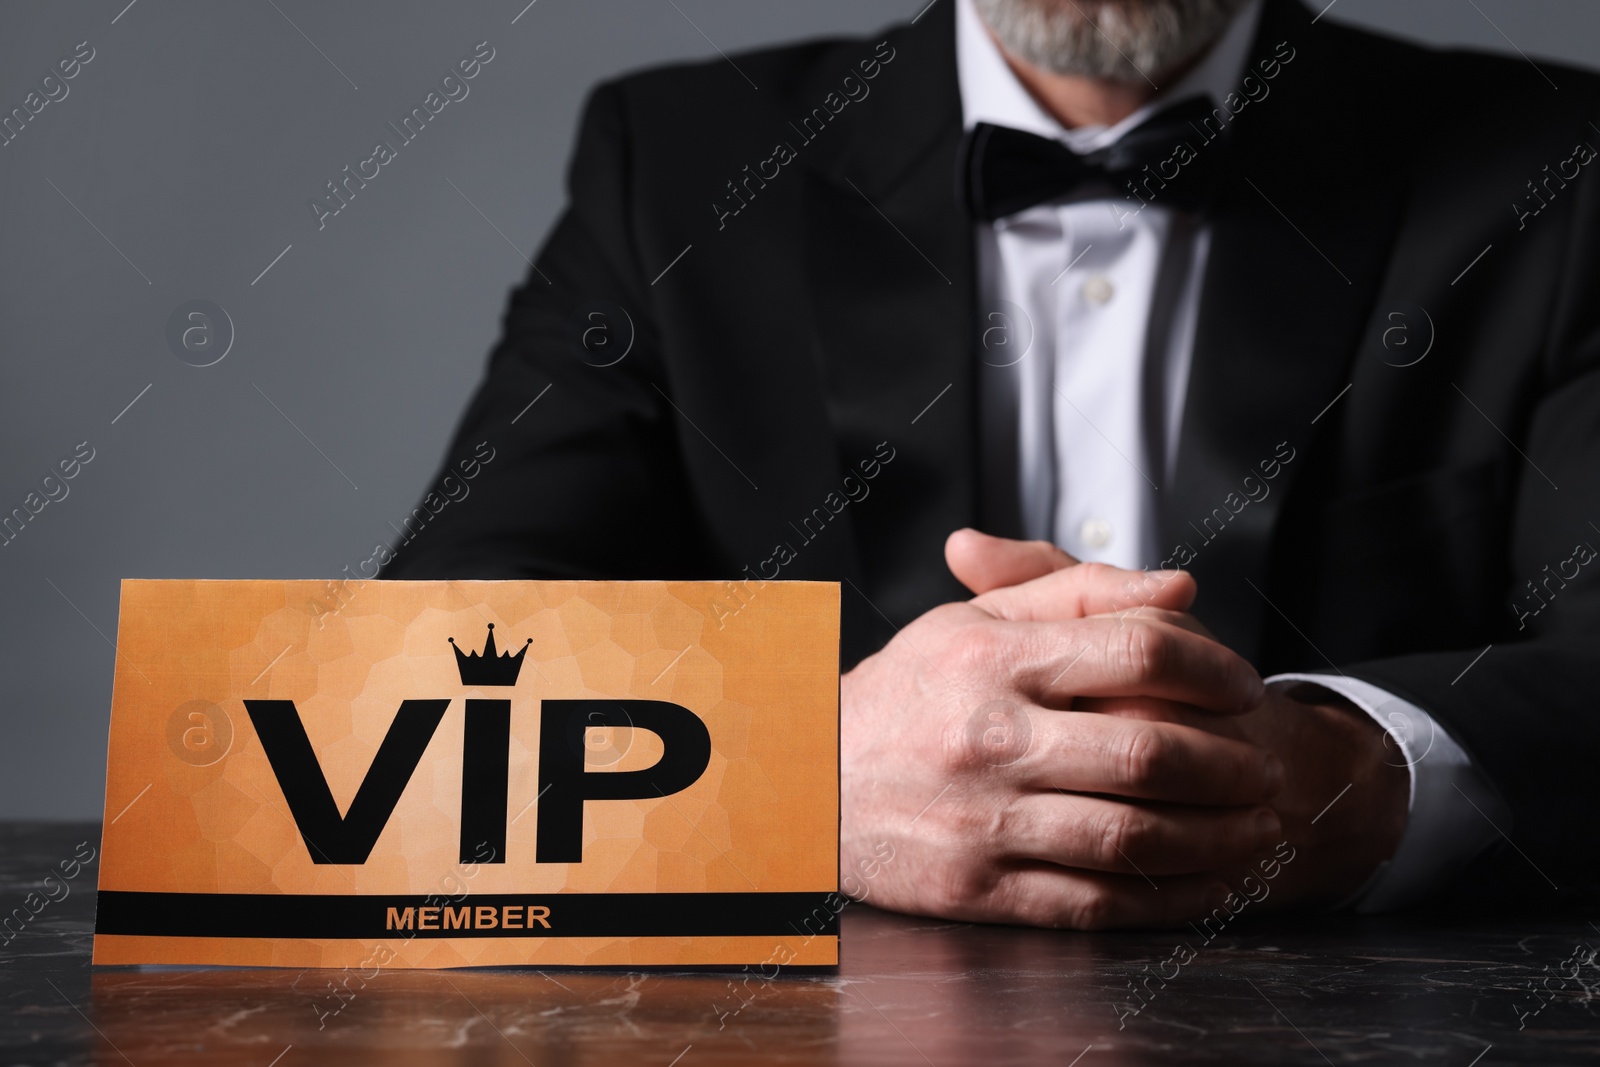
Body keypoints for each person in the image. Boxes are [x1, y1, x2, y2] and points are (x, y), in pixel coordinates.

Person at [381, 0, 1600, 927]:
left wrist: (1356, 766)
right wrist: (797, 766)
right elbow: (422, 663)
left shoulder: (1564, 165)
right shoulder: (678, 161)